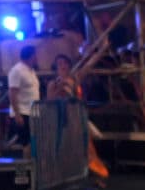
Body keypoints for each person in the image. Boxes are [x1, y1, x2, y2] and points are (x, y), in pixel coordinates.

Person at [47, 53, 110, 182]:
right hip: (61, 119)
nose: (62, 66)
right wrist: (60, 87)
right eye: (59, 63)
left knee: (86, 147)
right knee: (64, 146)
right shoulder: (53, 83)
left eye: (64, 63)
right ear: (56, 67)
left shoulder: (75, 79)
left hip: (76, 118)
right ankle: (65, 174)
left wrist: (101, 51)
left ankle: (94, 174)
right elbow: (49, 101)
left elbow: (89, 65)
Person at [6, 46, 40, 151]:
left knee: (33, 141)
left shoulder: (31, 71)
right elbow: (12, 93)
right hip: (23, 112)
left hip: (33, 112)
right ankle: (25, 161)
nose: (37, 58)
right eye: (36, 55)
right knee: (25, 143)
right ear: (31, 56)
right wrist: (17, 114)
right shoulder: (17, 70)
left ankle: (31, 160)